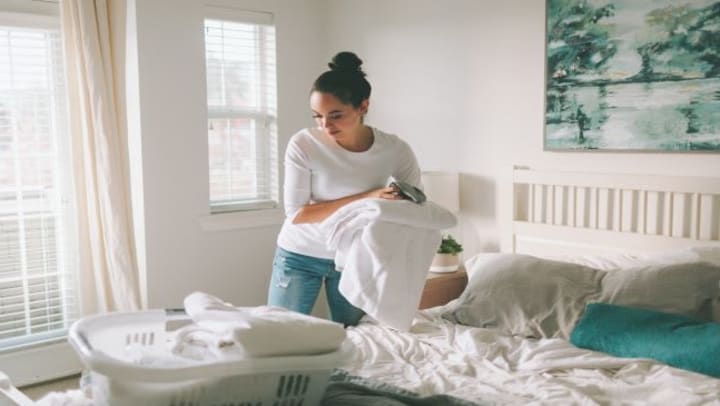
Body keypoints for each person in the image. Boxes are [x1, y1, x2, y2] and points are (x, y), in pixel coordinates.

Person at [267, 51, 423, 327]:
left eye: (336, 115)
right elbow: (297, 214)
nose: (325, 125)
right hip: (299, 254)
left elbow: (416, 205)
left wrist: (394, 199)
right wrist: (367, 197)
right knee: (281, 335)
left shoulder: (393, 149)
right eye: (317, 116)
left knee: (353, 340)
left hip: (355, 258)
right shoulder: (303, 144)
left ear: (363, 106)